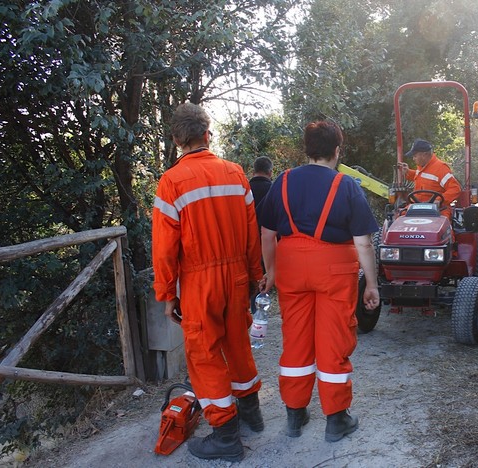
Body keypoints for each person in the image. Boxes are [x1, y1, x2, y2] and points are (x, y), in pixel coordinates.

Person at [151, 103, 264, 462]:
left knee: (204, 355)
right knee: (237, 344)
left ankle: (226, 435)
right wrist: (256, 275)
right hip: (236, 277)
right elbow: (252, 234)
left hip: (200, 281)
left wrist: (167, 294)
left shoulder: (171, 182)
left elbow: (164, 249)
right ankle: (252, 414)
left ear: (176, 140)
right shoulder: (236, 173)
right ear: (207, 133)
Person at [257, 120, 380, 442]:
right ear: (337, 150)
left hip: (291, 267)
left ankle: (295, 415)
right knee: (334, 340)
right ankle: (336, 419)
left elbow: (268, 234)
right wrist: (372, 284)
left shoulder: (281, 182)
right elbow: (363, 243)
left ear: (306, 149)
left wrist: (270, 272)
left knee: (296, 339)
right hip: (334, 270)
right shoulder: (347, 185)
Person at [398, 139, 462, 217]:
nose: (413, 159)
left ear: (424, 155)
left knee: (441, 224)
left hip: (438, 209)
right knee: (400, 218)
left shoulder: (441, 168)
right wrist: (408, 172)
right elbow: (422, 178)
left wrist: (439, 200)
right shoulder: (422, 166)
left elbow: (455, 189)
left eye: (415, 156)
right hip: (417, 206)